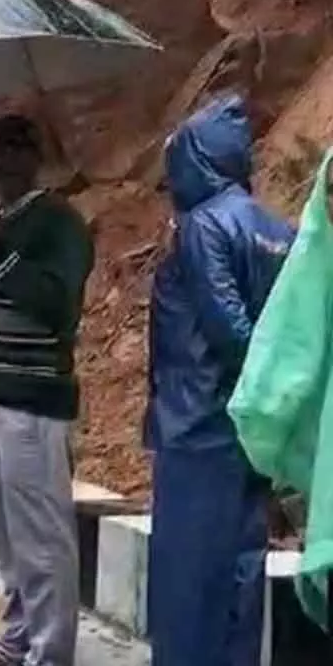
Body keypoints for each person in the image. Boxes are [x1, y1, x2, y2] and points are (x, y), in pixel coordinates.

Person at [145, 93, 294, 666]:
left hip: (197, 432)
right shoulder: (275, 230)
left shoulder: (204, 226)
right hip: (248, 440)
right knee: (239, 584)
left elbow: (230, 328)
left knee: (188, 594)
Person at [0, 114, 95, 666]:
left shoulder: (58, 223)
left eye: (5, 149)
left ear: (29, 157)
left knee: (41, 541)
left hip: (30, 405)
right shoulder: (5, 221)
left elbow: (56, 307)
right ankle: (18, 638)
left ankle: (49, 653)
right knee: (8, 538)